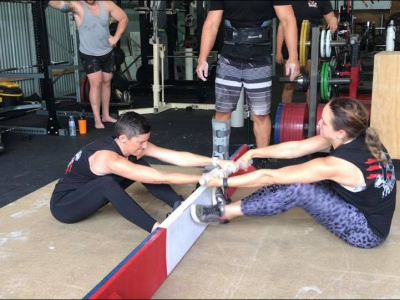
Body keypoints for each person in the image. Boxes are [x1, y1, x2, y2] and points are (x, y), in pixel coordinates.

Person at [191, 98, 397, 249]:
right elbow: (295, 148)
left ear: (340, 132)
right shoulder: (354, 134)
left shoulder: (339, 164)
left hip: (367, 230)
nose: (318, 124)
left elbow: (271, 176)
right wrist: (254, 152)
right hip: (354, 201)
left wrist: (221, 181)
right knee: (293, 177)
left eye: (323, 123)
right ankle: (229, 208)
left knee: (299, 188)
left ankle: (224, 213)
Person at [50, 111, 235, 233]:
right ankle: (155, 229)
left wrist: (217, 161)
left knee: (138, 160)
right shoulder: (107, 158)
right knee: (108, 182)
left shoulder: (129, 145)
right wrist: (204, 178)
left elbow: (175, 157)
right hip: (66, 206)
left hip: (89, 192)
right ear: (123, 139)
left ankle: (178, 204)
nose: (145, 146)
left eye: (146, 141)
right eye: (141, 142)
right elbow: (161, 177)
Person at [196, 1, 300, 167]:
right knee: (222, 113)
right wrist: (202, 59)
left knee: (260, 115)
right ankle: (218, 160)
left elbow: (288, 19)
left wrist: (293, 56)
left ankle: (261, 162)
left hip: (259, 62)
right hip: (229, 61)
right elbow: (211, 24)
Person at [48, 1, 128, 129]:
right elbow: (61, 4)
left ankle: (105, 115)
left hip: (106, 51)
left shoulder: (106, 4)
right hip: (89, 53)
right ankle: (97, 119)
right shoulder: (77, 6)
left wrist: (116, 38)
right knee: (96, 84)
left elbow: (123, 17)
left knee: (107, 81)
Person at [276, 0, 338, 104]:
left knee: (311, 84)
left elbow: (330, 19)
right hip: (291, 42)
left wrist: (334, 20)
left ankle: (312, 117)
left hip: (312, 42)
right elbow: (282, 26)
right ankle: (284, 116)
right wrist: (278, 51)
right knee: (289, 84)